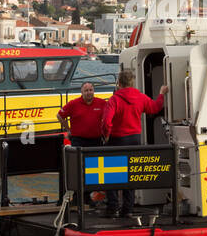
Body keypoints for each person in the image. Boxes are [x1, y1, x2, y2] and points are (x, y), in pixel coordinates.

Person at [100, 70, 168, 217]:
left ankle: (113, 208)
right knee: (130, 174)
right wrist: (162, 93)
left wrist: (106, 135)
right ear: (132, 83)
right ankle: (128, 209)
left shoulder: (114, 100)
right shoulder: (139, 97)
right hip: (134, 139)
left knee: (111, 175)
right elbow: (155, 107)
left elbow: (106, 122)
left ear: (119, 83)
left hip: (117, 140)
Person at [57, 82, 107, 148]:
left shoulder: (102, 103)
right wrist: (68, 130)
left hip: (96, 140)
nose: (89, 92)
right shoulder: (73, 104)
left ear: (93, 91)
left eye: (90, 90)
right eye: (86, 90)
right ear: (82, 92)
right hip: (78, 141)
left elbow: (110, 117)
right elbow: (59, 115)